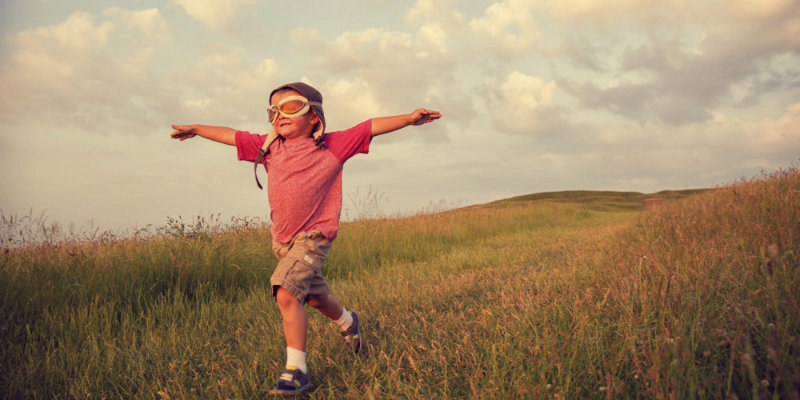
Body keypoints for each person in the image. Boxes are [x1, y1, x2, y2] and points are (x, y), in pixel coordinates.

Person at [170, 82, 441, 396]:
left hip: (314, 237)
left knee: (286, 292)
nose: (279, 115)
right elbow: (230, 135)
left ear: (314, 116)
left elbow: (370, 127)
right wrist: (197, 129)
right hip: (283, 242)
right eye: (273, 110)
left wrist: (409, 118)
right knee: (312, 297)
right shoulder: (268, 146)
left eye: (290, 107)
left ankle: (296, 372)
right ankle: (347, 321)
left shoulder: (332, 145)